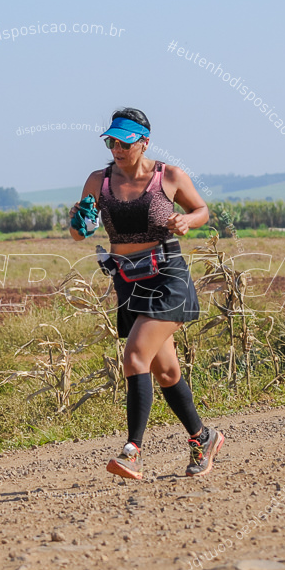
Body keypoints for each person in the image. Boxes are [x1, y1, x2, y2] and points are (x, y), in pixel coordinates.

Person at [68, 107, 224, 480]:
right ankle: (204, 437)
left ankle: (132, 450)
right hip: (128, 280)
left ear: (144, 142)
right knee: (166, 371)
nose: (116, 148)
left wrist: (187, 219)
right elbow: (80, 232)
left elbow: (202, 209)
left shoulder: (168, 176)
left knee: (135, 355)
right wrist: (78, 223)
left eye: (123, 142)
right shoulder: (98, 180)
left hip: (167, 276)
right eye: (110, 141)